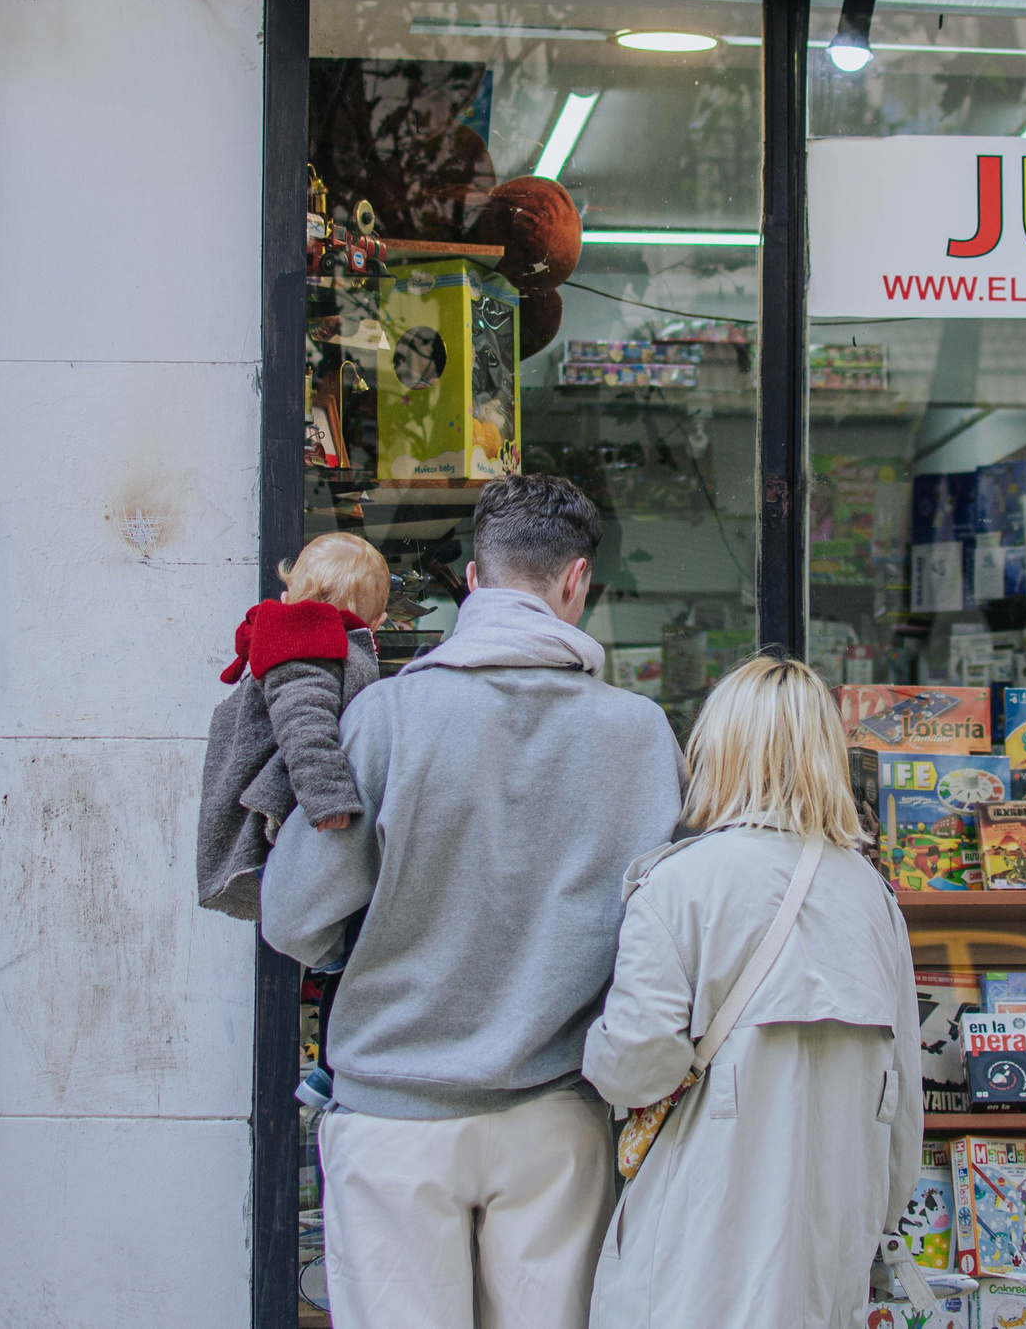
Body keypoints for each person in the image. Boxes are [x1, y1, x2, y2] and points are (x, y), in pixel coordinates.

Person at [261, 474, 683, 1329]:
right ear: (576, 582)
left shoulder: (386, 716)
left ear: (475, 582)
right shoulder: (639, 734)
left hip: (390, 1113)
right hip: (555, 1115)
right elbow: (660, 940)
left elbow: (293, 916)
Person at [582, 653, 921, 1329]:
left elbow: (634, 1063)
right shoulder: (874, 900)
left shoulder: (679, 883)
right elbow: (902, 1103)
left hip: (697, 1248)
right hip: (826, 1261)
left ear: (721, 750)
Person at [198, 530, 389, 920]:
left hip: (291, 803)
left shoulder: (315, 641)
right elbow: (304, 722)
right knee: (312, 907)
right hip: (287, 808)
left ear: (289, 595)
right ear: (378, 622)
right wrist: (328, 796)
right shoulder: (308, 640)